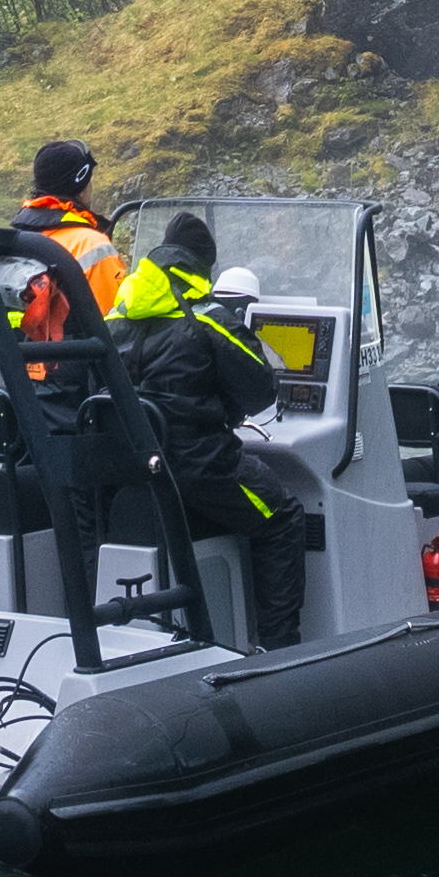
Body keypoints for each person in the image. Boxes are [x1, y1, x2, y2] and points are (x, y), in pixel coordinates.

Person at [107, 211, 304, 644]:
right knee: (283, 517)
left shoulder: (114, 317)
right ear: (202, 265)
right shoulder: (209, 318)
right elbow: (260, 392)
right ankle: (279, 649)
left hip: (136, 468)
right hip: (200, 466)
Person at [11, 138, 128, 370]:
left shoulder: (13, 239)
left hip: (23, 379)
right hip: (80, 385)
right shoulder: (92, 245)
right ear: (81, 188)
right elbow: (117, 328)